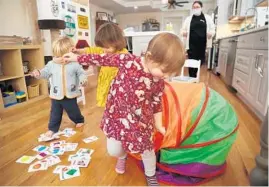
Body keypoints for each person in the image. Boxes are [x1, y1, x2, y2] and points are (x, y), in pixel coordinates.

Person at [63, 33, 185, 186]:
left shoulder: (159, 81)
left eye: (170, 74)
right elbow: (102, 59)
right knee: (114, 150)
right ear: (149, 57)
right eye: (164, 71)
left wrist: (159, 124)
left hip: (141, 121)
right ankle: (122, 157)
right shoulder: (127, 60)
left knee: (147, 150)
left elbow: (156, 103)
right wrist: (77, 58)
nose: (166, 77)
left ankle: (151, 175)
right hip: (117, 116)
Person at [31, 37, 87, 138]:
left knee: (73, 110)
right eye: (58, 56)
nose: (61, 58)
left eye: (65, 56)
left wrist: (83, 79)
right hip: (56, 95)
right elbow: (45, 73)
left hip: (70, 93)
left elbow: (81, 73)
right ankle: (52, 128)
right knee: (54, 113)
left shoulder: (75, 63)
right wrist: (38, 73)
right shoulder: (51, 64)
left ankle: (79, 120)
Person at [73, 23, 128, 107]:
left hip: (117, 86)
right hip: (104, 83)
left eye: (107, 47)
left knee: (116, 105)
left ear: (117, 42)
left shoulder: (123, 54)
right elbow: (90, 50)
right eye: (102, 47)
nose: (104, 50)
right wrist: (78, 51)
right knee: (107, 105)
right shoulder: (102, 50)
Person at [182, 1, 215, 77]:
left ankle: (194, 75)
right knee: (191, 62)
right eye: (194, 7)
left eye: (197, 7)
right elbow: (183, 29)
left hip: (202, 45)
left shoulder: (207, 18)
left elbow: (213, 29)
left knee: (200, 61)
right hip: (191, 44)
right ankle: (192, 76)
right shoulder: (188, 19)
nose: (195, 8)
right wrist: (183, 32)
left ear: (201, 8)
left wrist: (211, 33)